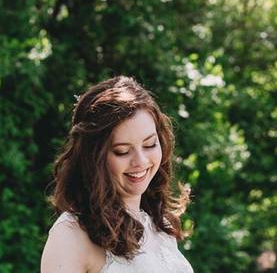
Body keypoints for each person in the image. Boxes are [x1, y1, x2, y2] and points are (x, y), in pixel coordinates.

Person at [41, 76, 194, 273]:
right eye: (122, 151)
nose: (140, 161)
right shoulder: (71, 235)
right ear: (93, 157)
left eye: (150, 145)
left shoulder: (159, 226)